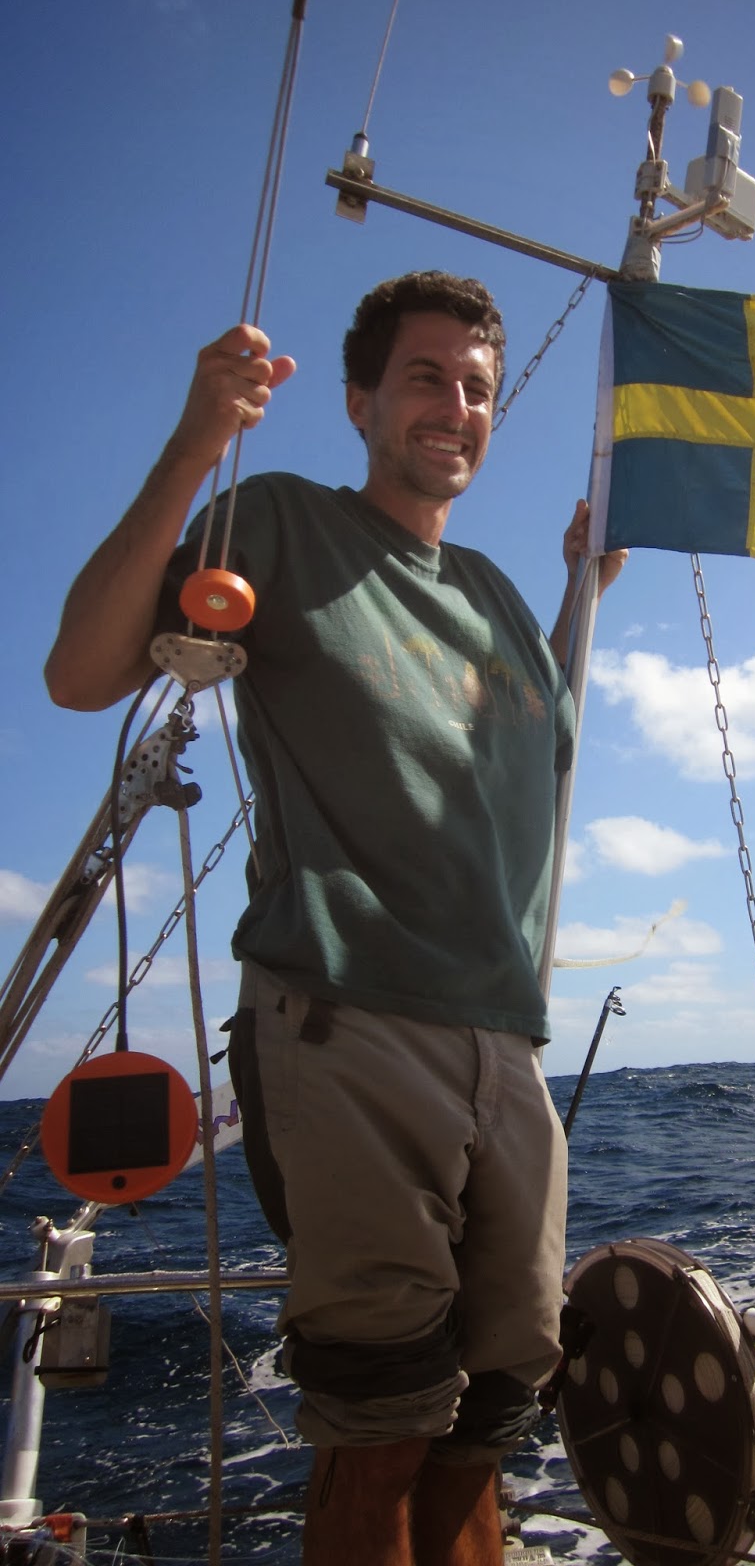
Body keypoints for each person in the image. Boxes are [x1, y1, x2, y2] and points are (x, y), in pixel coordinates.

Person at [44, 271, 627, 1566]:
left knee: (493, 1408)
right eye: (425, 378)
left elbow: (541, 751)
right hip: (348, 1021)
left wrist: (583, 587)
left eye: (476, 387)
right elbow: (81, 674)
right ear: (360, 401)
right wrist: (196, 446)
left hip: (504, 1042)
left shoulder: (495, 596)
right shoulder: (283, 523)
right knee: (380, 1417)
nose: (456, 406)